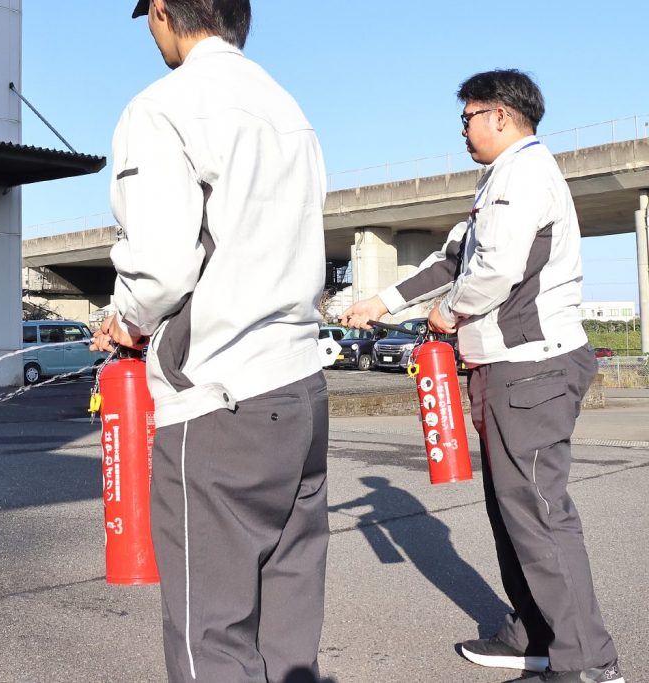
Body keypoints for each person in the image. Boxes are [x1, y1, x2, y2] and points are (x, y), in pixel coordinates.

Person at [340, 70, 623, 683]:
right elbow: (452, 259)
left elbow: (493, 269)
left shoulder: (523, 173)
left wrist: (447, 313)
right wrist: (381, 303)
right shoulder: (496, 179)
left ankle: (588, 664)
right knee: (514, 508)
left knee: (541, 513)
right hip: (507, 368)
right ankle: (534, 631)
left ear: (499, 114)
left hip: (531, 366)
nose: (462, 129)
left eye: (467, 116)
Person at [90, 2, 329, 680]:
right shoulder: (288, 109)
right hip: (302, 388)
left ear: (163, 10)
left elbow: (162, 265)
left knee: (211, 635)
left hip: (221, 398)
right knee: (289, 627)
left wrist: (126, 317)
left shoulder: (163, 107)